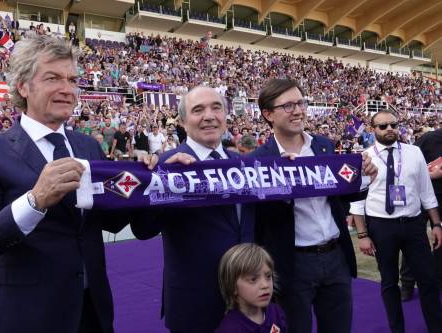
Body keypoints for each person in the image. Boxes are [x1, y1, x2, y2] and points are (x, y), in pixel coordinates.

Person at [0, 35, 139, 333]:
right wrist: (34, 201)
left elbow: (112, 221)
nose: (67, 89)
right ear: (23, 86)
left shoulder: (88, 146)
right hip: (27, 318)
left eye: (72, 79)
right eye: (53, 78)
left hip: (93, 314)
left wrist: (150, 177)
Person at [249, 78, 376, 333]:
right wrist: (282, 188)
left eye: (300, 103)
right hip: (293, 263)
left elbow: (339, 198)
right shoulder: (258, 160)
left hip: (335, 256)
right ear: (268, 114)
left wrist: (364, 179)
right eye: (288, 106)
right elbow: (259, 219)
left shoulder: (323, 145)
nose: (297, 110)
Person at [131, 86, 255, 333]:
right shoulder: (164, 164)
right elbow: (143, 229)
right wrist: (164, 181)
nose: (209, 116)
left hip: (248, 299)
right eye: (198, 110)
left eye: (216, 108)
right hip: (194, 303)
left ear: (226, 116)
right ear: (183, 121)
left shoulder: (246, 165)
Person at [352, 113, 442, 333]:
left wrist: (437, 224)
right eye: (383, 126)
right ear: (373, 129)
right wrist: (363, 235)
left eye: (394, 124)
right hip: (381, 226)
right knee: (389, 282)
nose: (389, 128)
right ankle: (397, 329)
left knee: (428, 280)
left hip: (413, 224)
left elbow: (426, 191)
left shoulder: (414, 152)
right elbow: (357, 199)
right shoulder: (364, 157)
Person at [400, 128, 442, 301]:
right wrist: (432, 175)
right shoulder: (430, 138)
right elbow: (407, 166)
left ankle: (438, 281)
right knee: (413, 240)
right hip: (422, 198)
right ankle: (407, 285)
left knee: (441, 243)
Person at [215, 243, 286, 333]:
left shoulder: (276, 312)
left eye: (268, 276)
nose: (265, 285)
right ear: (233, 287)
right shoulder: (230, 328)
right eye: (253, 279)